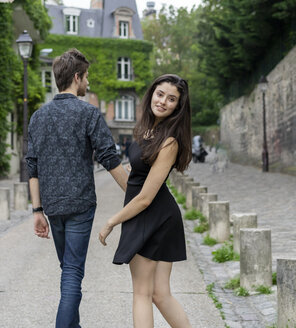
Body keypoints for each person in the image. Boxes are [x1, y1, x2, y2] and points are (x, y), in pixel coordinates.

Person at [25, 48, 128, 328]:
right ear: (76, 77)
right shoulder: (88, 113)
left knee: (68, 270)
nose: (88, 84)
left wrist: (37, 210)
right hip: (80, 205)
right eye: (86, 78)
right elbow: (109, 159)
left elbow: (31, 167)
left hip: (53, 206)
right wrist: (138, 195)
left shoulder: (38, 117)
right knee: (72, 272)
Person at [98, 74, 193, 328]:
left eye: (171, 99)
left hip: (153, 216)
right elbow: (136, 180)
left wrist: (112, 221)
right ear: (152, 92)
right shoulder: (146, 130)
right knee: (159, 294)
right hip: (152, 214)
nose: (163, 101)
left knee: (142, 293)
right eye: (160, 94)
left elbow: (145, 197)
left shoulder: (169, 140)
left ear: (178, 106)